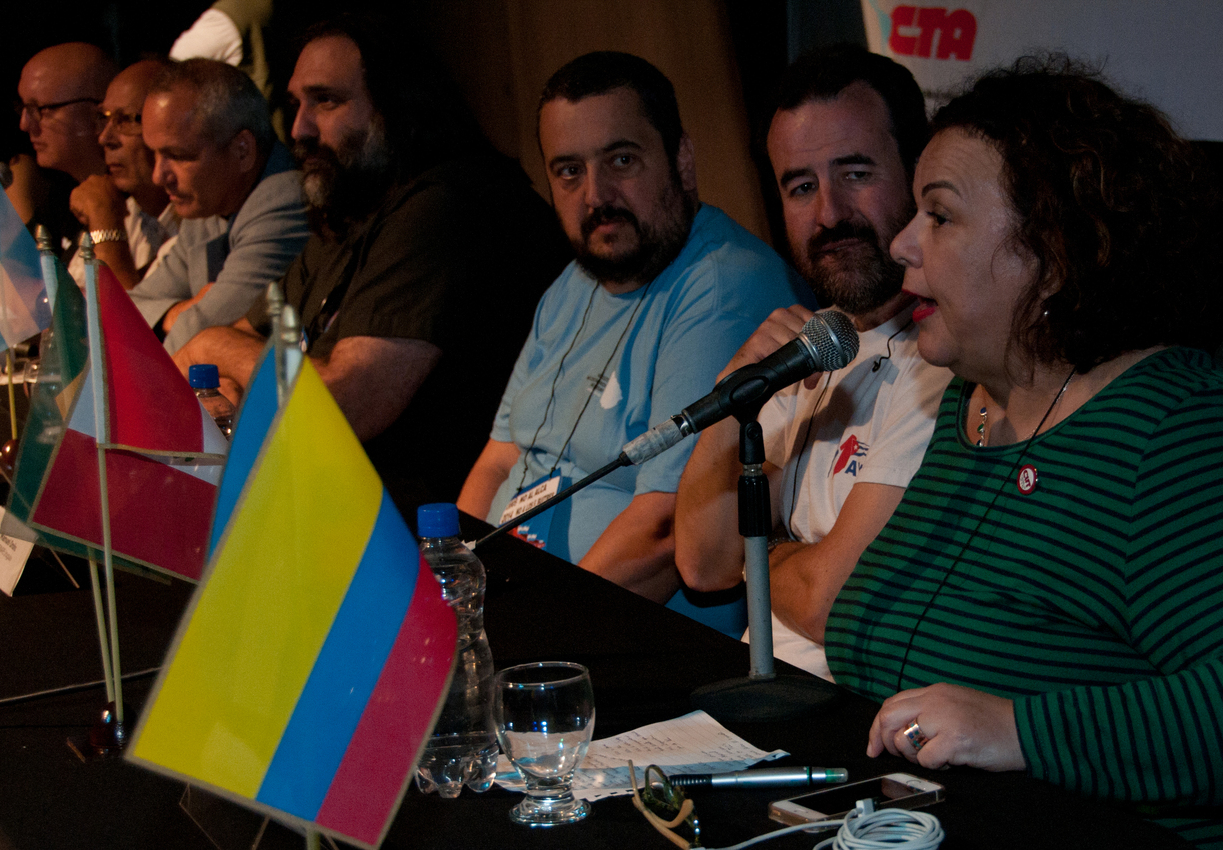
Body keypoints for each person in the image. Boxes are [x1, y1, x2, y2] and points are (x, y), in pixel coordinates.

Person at [824, 57, 1223, 848]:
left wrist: (1022, 730)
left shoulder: (1173, 432)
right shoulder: (968, 406)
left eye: (940, 216)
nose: (902, 244)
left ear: (1051, 254)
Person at [457, 51, 809, 615]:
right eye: (569, 172)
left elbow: (663, 532)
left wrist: (524, 629)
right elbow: (498, 460)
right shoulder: (572, 284)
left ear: (682, 160)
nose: (596, 196)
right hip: (506, 607)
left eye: (621, 161)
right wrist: (454, 588)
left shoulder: (722, 288)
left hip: (602, 631)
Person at [171, 18, 569, 516]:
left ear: (395, 104)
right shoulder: (353, 209)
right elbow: (233, 353)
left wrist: (212, 346)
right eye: (296, 104)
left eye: (326, 101)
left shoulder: (444, 206)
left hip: (434, 533)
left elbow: (341, 405)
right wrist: (231, 367)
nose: (299, 129)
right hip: (337, 511)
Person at [675, 45, 951, 672]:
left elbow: (832, 602)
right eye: (802, 187)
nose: (829, 214)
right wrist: (734, 391)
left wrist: (760, 548)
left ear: (920, 174)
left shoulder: (946, 356)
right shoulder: (819, 340)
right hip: (755, 687)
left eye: (856, 174)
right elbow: (703, 562)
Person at [127, 58, 308, 354]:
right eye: (155, 154)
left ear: (242, 150)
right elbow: (129, 309)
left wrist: (179, 318)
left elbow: (198, 336)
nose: (158, 176)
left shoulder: (285, 203)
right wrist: (176, 312)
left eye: (179, 155)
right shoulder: (208, 205)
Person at [67, 59, 180, 289]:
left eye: (125, 120)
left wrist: (105, 227)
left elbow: (123, 313)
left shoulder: (203, 225)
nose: (104, 138)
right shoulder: (125, 209)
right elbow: (73, 302)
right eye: (104, 118)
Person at [16, 43, 117, 256]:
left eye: (40, 109)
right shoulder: (59, 198)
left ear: (97, 114)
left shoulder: (134, 205)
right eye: (24, 108)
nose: (24, 125)